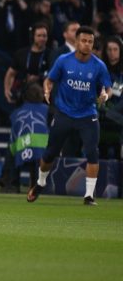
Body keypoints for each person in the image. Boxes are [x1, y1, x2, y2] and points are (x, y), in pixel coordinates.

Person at [28, 26, 112, 206]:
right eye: (84, 41)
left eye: (90, 42)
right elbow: (49, 79)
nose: (87, 44)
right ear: (76, 41)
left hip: (87, 115)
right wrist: (47, 89)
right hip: (64, 113)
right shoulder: (63, 60)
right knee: (50, 153)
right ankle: (40, 183)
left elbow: (108, 88)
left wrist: (105, 95)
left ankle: (89, 195)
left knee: (92, 152)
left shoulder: (99, 65)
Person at [4, 22, 50, 105]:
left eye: (44, 36)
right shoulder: (21, 53)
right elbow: (11, 73)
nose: (42, 39)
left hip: (45, 97)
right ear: (33, 37)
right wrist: (7, 89)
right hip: (24, 95)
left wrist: (39, 77)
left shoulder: (52, 54)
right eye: (39, 36)